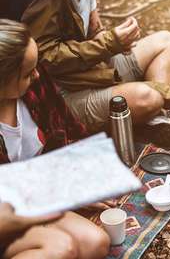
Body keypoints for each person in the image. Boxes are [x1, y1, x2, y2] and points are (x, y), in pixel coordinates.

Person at [0, 19, 110, 259]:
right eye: (28, 73)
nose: (38, 75)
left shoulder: (34, 87)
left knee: (96, 243)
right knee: (60, 248)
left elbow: (69, 126)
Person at [22, 0, 170, 148]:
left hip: (92, 69)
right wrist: (109, 43)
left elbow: (94, 32)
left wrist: (110, 38)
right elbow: (43, 58)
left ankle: (152, 119)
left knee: (167, 41)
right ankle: (147, 104)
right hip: (63, 94)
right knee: (149, 98)